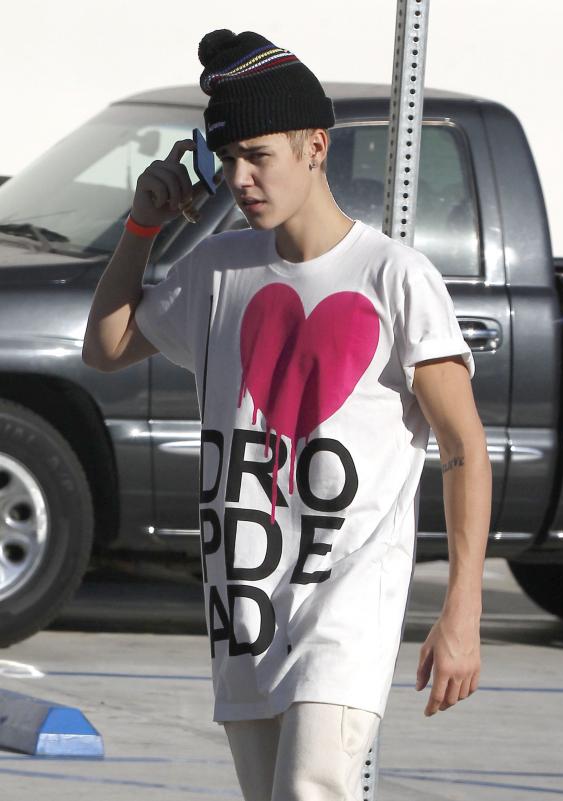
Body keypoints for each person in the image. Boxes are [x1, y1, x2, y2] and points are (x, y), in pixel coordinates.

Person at [83, 28, 492, 801]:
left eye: (258, 155)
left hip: (346, 607)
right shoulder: (217, 269)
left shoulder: (393, 277)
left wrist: (462, 608)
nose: (240, 178)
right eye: (226, 158)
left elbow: (463, 446)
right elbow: (105, 346)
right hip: (244, 605)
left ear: (315, 146)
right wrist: (141, 228)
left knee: (311, 787)